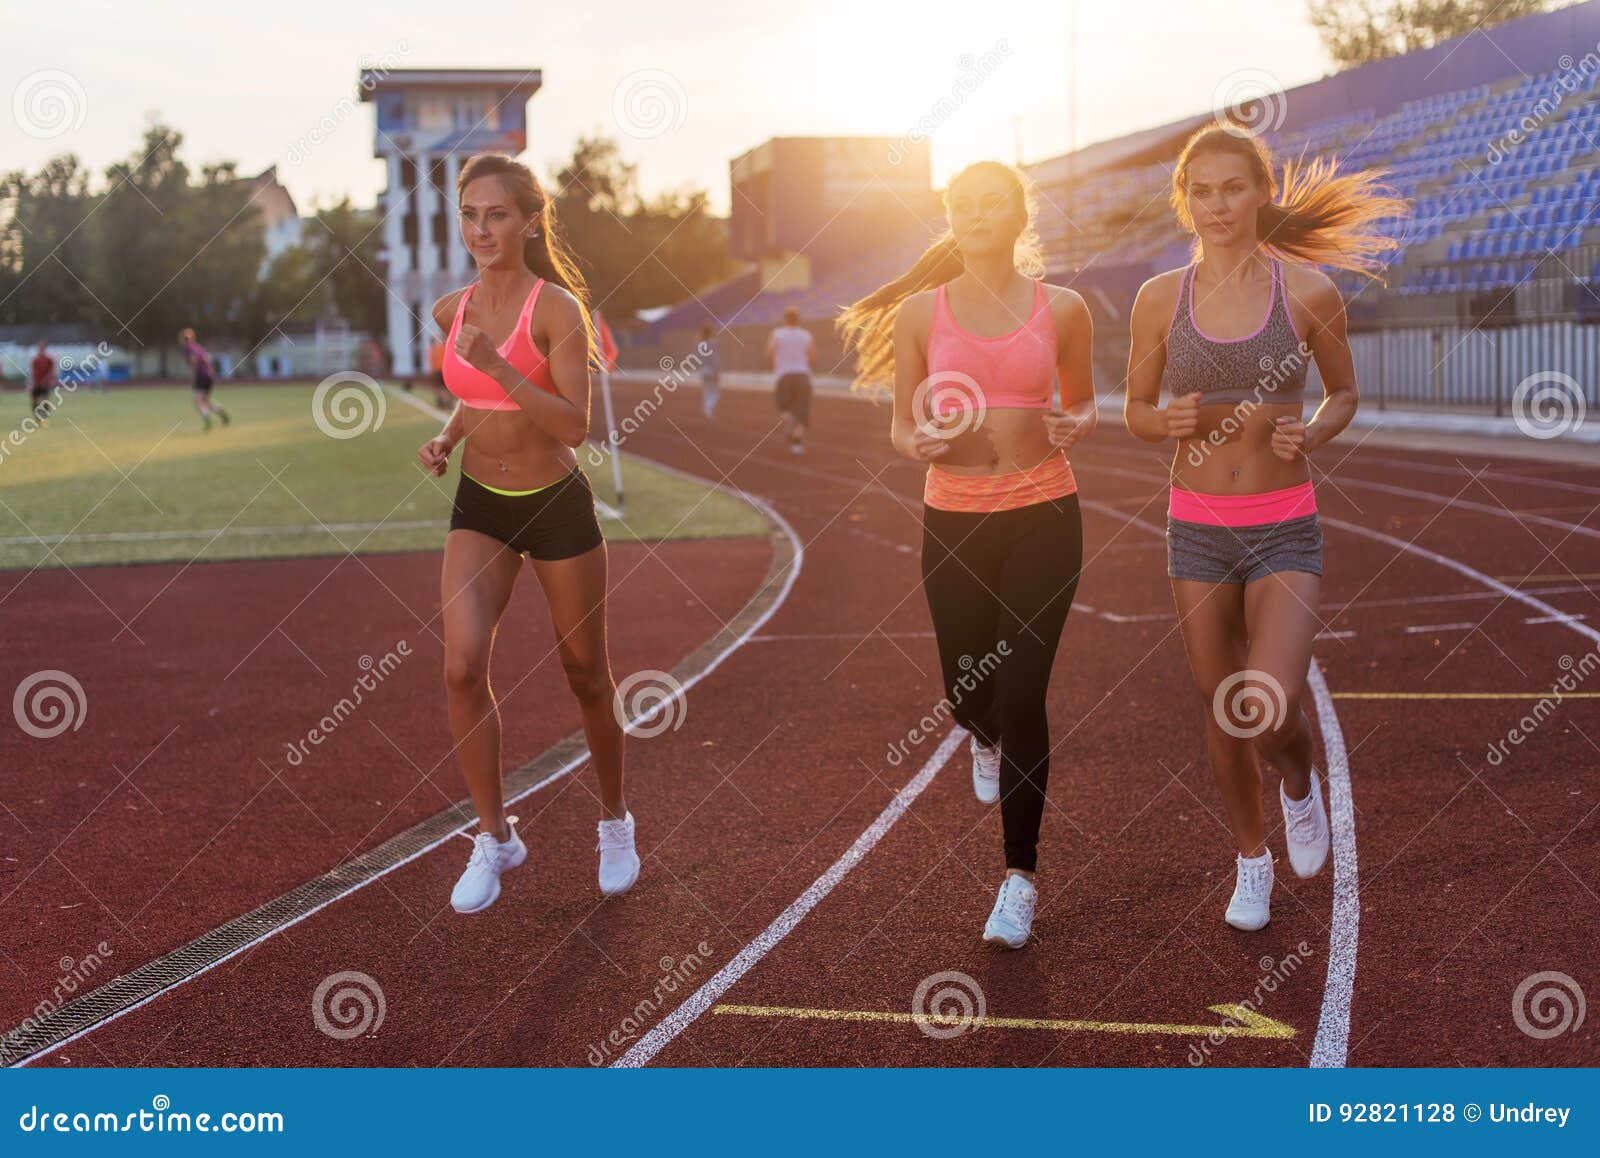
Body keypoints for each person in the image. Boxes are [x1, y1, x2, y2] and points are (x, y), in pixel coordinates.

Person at [1123, 123, 1404, 931]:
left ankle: (1297, 780)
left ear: (1261, 192)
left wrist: (1313, 432)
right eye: (1201, 191)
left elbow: (1344, 393)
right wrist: (1163, 417)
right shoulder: (1157, 300)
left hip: (1285, 526)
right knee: (1222, 706)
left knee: (1269, 707)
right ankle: (1252, 861)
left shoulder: (1308, 293)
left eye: (1232, 187)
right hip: (1197, 530)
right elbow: (1136, 409)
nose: (1217, 205)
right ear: (1184, 202)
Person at [838, 160, 1097, 949]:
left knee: (1022, 696)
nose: (979, 213)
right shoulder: (921, 312)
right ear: (950, 217)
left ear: (1019, 214)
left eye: (993, 202)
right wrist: (920, 441)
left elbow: (1082, 398)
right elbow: (899, 428)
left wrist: (1075, 423)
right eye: (964, 204)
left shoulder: (1064, 307)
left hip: (1044, 512)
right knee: (966, 693)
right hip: (953, 519)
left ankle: (1019, 878)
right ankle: (979, 732)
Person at [414, 152, 639, 914]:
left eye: (497, 214)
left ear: (529, 220)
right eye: (470, 214)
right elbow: (473, 396)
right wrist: (449, 437)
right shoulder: (452, 308)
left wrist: (503, 371)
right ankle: (495, 835)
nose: (482, 228)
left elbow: (573, 426)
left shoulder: (556, 311)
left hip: (555, 506)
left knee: (585, 676)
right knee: (459, 669)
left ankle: (614, 821)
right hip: (481, 503)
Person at [767, 307, 814, 453]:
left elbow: (768, 352)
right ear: (798, 320)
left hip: (783, 375)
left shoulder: (777, 334)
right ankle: (797, 443)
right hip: (802, 375)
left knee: (785, 408)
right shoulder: (806, 335)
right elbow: (812, 356)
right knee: (802, 411)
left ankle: (789, 420)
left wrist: (778, 362)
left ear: (784, 319)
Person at [178, 328, 230, 431]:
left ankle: (207, 420)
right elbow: (208, 359)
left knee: (198, 401)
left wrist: (193, 377)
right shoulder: (198, 347)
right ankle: (222, 414)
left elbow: (193, 361)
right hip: (209, 375)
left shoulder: (187, 348)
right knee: (206, 400)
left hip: (201, 375)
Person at [696, 322, 721, 422]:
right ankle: (708, 408)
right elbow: (714, 359)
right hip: (711, 370)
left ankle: (706, 408)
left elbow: (696, 357)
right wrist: (717, 371)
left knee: (706, 391)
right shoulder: (712, 343)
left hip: (702, 370)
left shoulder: (698, 343)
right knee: (716, 393)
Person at [29, 341, 55, 423]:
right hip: (36, 383)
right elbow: (33, 372)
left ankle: (44, 417)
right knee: (34, 400)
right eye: (39, 347)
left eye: (42, 347)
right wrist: (32, 383)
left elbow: (51, 372)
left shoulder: (49, 359)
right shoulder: (35, 360)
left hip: (45, 384)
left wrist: (47, 381)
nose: (40, 349)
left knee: (45, 400)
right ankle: (37, 418)